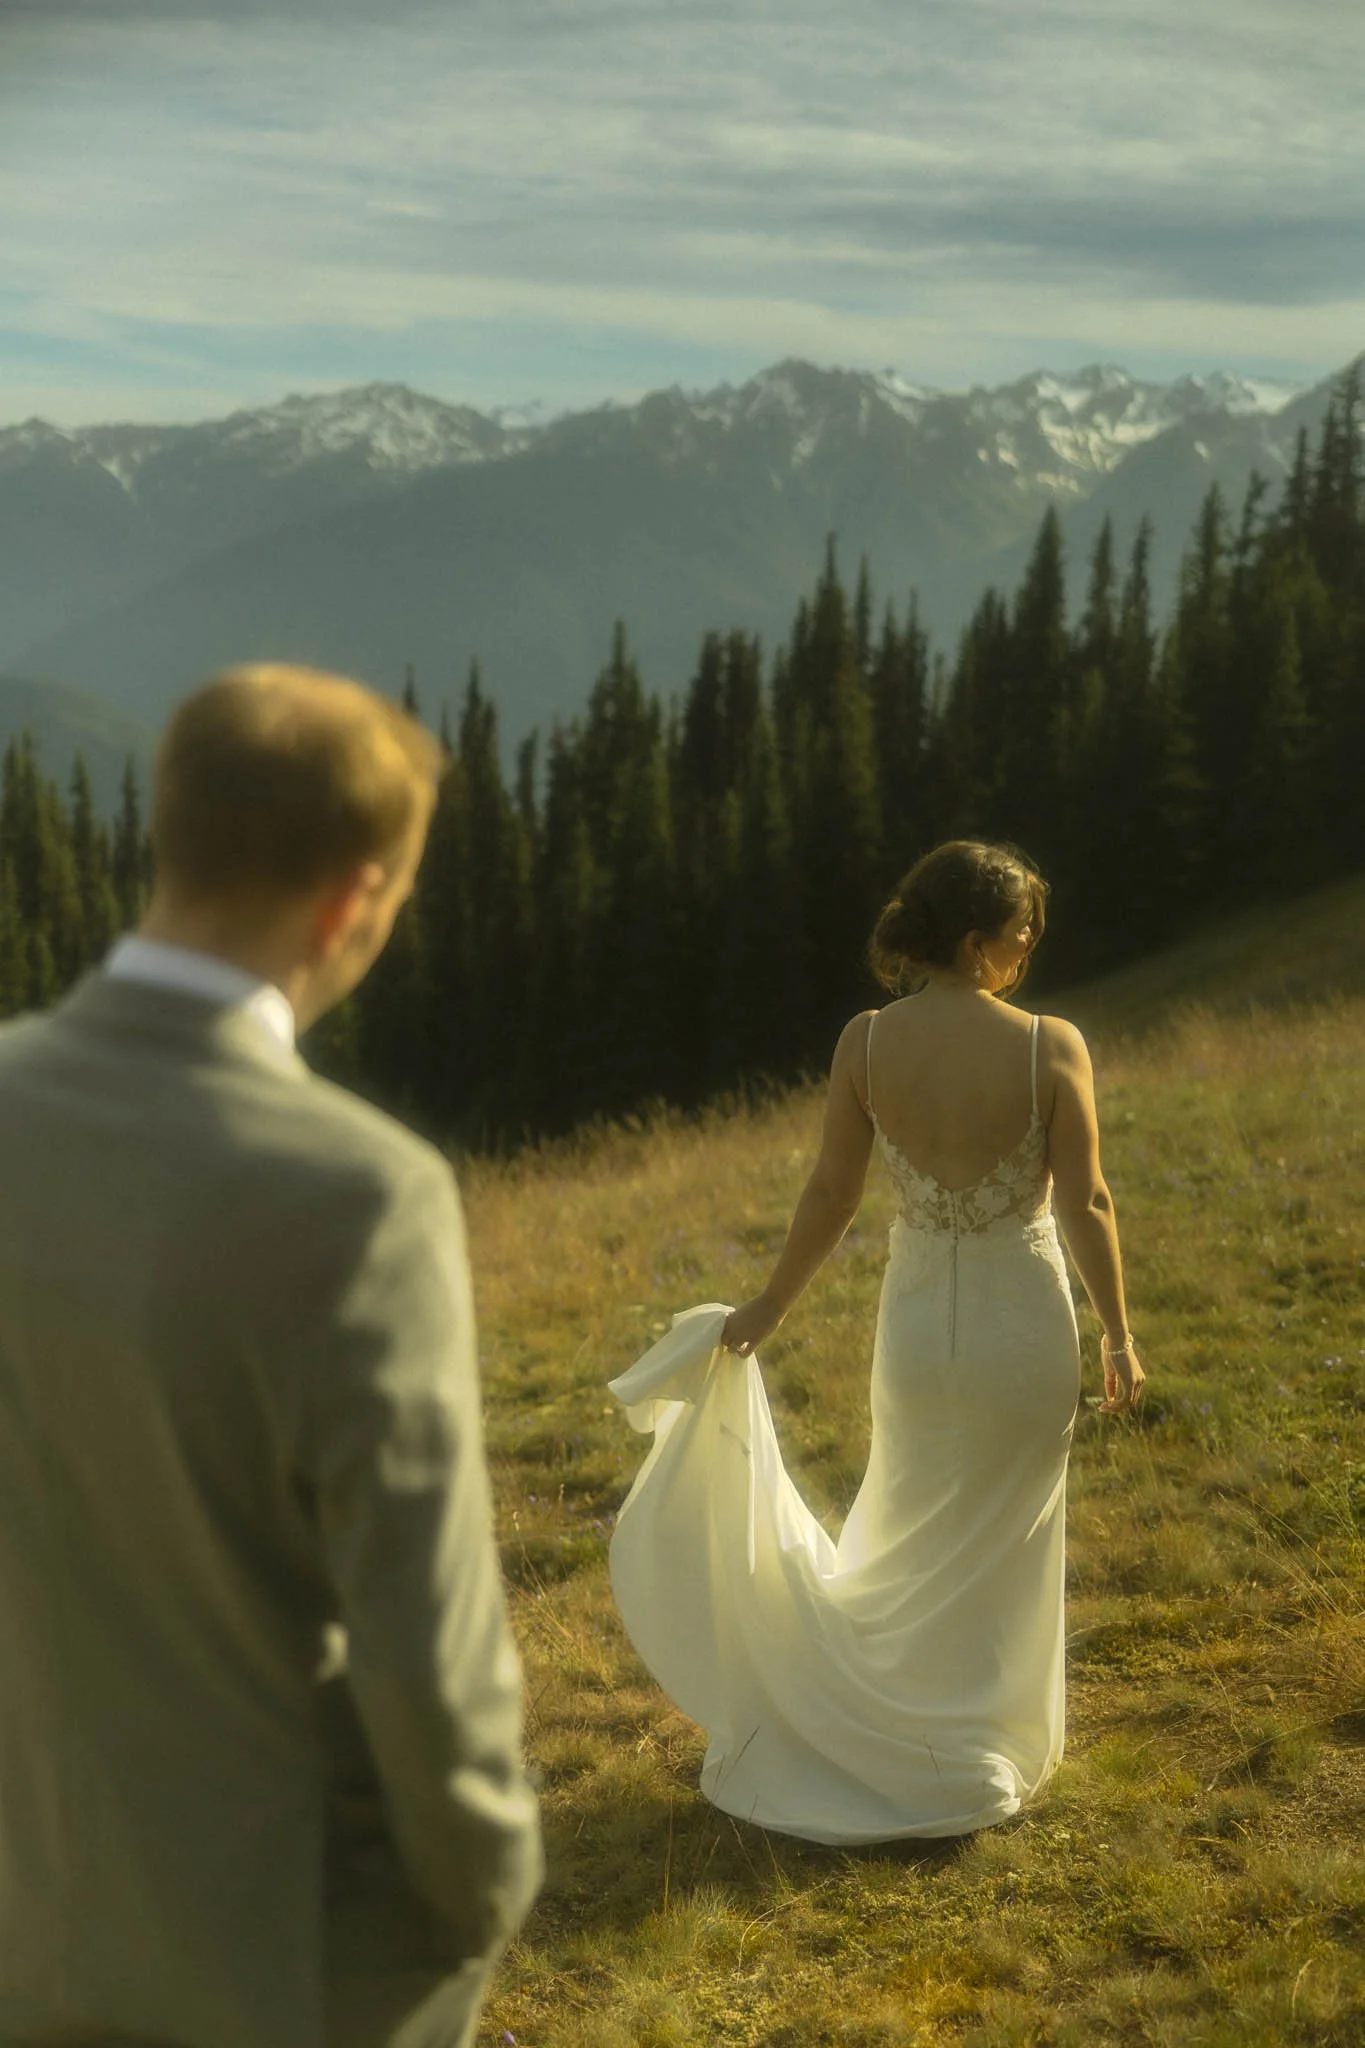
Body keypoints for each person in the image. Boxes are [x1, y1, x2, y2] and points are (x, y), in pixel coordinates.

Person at [0, 666, 542, 2048]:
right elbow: (426, 1637)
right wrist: (483, 1885)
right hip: (267, 1949)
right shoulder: (360, 1195)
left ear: (167, 835)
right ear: (353, 898)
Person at [608, 839, 1143, 1843]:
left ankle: (892, 1724)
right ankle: (977, 1734)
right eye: (1022, 933)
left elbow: (830, 1193)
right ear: (977, 943)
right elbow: (1088, 1201)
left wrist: (767, 1308)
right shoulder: (1050, 1045)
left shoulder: (865, 1042)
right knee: (1004, 1535)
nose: (1029, 950)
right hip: (1024, 1329)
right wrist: (1117, 1331)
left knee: (907, 1523)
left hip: (916, 1331)